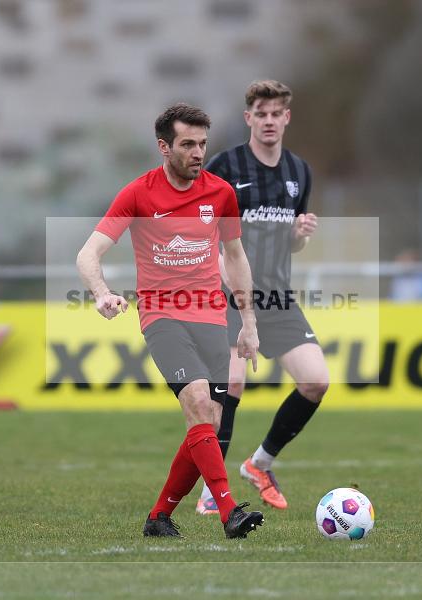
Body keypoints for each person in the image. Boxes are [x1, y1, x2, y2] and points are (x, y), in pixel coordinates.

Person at [76, 103, 265, 539]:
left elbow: (235, 258)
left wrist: (249, 323)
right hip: (161, 315)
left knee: (209, 423)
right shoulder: (138, 193)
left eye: (202, 143)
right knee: (198, 401)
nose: (198, 152)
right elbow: (88, 254)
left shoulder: (220, 193)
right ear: (164, 147)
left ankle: (159, 517)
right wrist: (103, 294)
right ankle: (230, 512)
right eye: (188, 144)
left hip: (212, 316)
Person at [196, 80, 328, 514]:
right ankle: (211, 494)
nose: (269, 121)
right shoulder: (225, 166)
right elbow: (201, 228)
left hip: (276, 296)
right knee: (232, 382)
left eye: (277, 113)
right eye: (261, 113)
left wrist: (298, 237)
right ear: (249, 117)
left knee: (315, 381)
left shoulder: (299, 172)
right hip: (229, 293)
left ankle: (259, 463)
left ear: (286, 117)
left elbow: (291, 245)